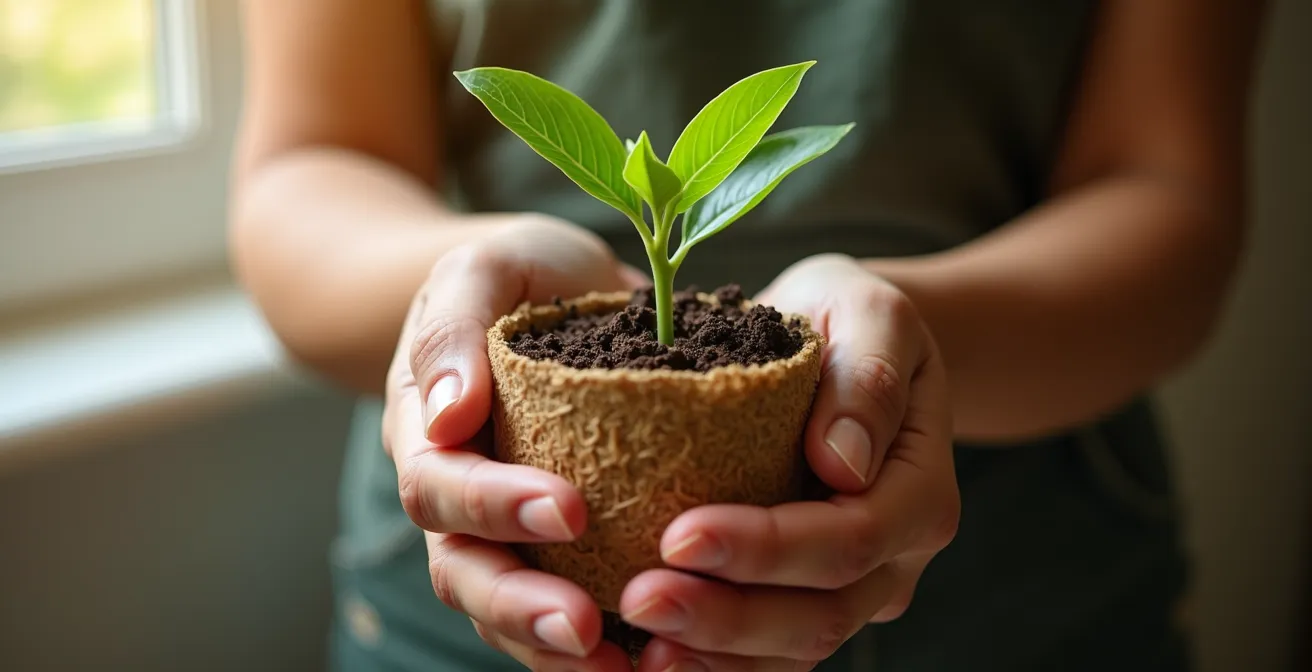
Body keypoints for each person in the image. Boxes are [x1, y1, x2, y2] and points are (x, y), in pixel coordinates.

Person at [228, 1, 1266, 670]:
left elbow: (1165, 189)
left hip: (1023, 587)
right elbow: (312, 163)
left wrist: (902, 344)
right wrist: (464, 298)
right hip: (484, 590)